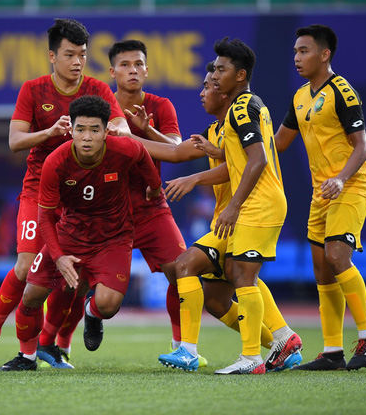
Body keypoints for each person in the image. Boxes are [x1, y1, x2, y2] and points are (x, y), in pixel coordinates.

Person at [0, 18, 126, 365]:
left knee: (73, 278)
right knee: (26, 269)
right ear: (52, 56)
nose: (77, 62)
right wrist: (51, 132)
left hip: (81, 196)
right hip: (39, 189)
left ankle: (48, 343)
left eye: (82, 55)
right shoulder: (33, 90)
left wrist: (112, 130)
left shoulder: (98, 89)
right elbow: (14, 141)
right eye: (70, 54)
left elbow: (120, 126)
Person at [134, 62, 302, 372]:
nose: (202, 92)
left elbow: (246, 161)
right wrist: (140, 133)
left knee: (220, 271)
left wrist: (195, 178)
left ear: (224, 92)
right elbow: (176, 153)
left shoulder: (242, 112)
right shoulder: (216, 131)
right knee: (214, 299)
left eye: (209, 85)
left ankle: (211, 352)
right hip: (228, 220)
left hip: (247, 211)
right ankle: (282, 341)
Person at [35, 39, 190, 365]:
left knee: (182, 270)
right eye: (125, 64)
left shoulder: (161, 107)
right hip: (101, 213)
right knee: (76, 282)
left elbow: (176, 149)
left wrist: (147, 133)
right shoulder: (100, 107)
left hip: (149, 207)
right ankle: (60, 341)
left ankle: (183, 347)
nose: (132, 70)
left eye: (138, 64)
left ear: (147, 69)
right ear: (112, 71)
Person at [0, 95, 162, 371]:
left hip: (113, 237)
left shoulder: (124, 149)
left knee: (108, 305)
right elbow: (45, 216)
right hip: (69, 234)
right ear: (71, 130)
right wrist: (59, 256)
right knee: (31, 295)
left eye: (95, 130)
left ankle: (92, 313)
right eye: (81, 130)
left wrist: (155, 187)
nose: (87, 137)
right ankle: (26, 357)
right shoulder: (55, 162)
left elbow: (145, 158)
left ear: (106, 131)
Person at [274, 24, 366, 371]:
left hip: (351, 185)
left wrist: (340, 177)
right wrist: (227, 149)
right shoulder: (300, 96)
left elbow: (362, 146)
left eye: (303, 51)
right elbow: (278, 144)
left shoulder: (342, 91)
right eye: (294, 52)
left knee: (337, 257)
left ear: (325, 54)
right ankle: (333, 351)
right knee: (322, 271)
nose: (296, 58)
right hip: (322, 194)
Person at [209, 37, 298, 375]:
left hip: (259, 203)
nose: (216, 75)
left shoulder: (244, 106)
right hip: (259, 201)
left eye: (222, 69)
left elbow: (258, 159)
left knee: (243, 275)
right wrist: (218, 153)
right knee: (236, 270)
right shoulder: (245, 106)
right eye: (215, 68)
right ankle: (283, 336)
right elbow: (241, 156)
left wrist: (233, 205)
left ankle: (252, 357)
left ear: (241, 74)